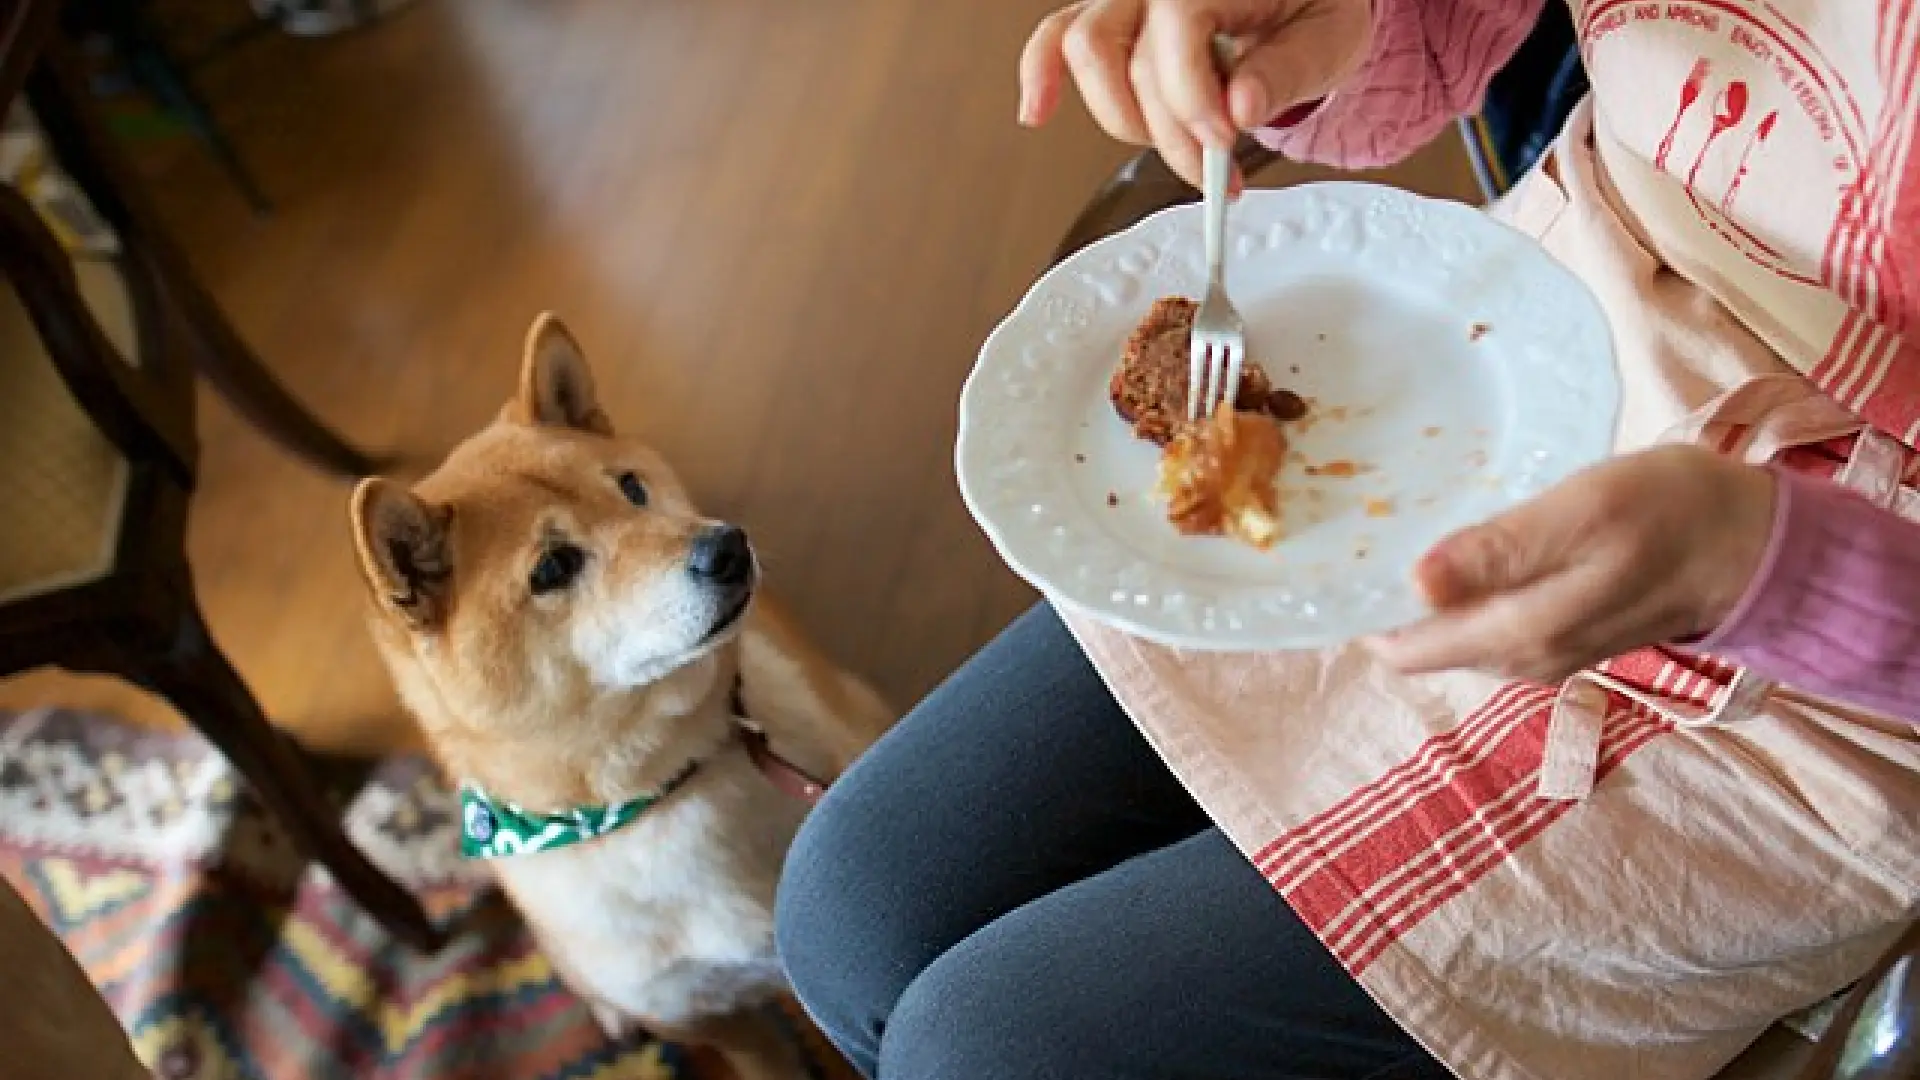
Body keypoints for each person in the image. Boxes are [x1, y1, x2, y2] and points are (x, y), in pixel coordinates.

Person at [774, 1, 1920, 1077]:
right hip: (1543, 316)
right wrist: (1334, 22)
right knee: (851, 906)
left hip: (1844, 658)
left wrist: (1771, 568)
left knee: (982, 1049)